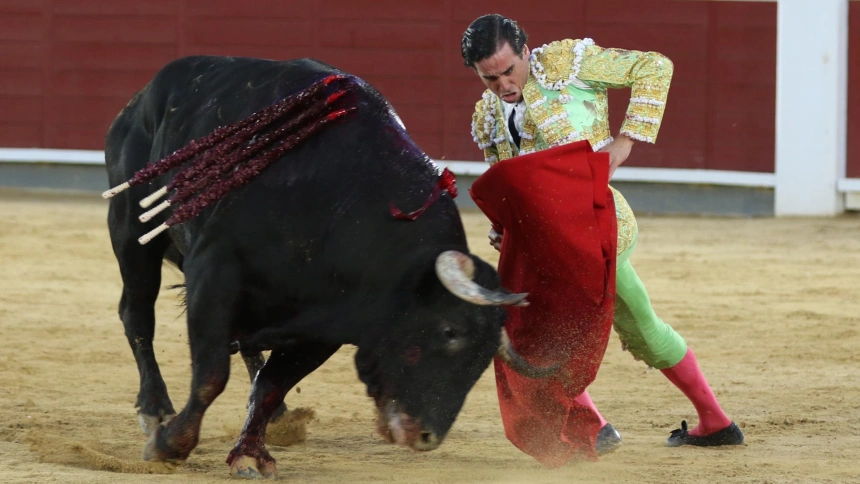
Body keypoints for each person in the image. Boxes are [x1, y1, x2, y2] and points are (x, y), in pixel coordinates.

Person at [461, 13, 744, 456]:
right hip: (542, 246)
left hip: (599, 231)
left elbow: (654, 67)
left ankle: (713, 420)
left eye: (508, 71)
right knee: (534, 334)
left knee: (638, 328)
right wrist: (504, 229)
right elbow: (509, 183)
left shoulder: (567, 65)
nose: (503, 85)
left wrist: (626, 141)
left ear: (526, 53)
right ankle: (598, 425)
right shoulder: (487, 117)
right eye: (489, 78)